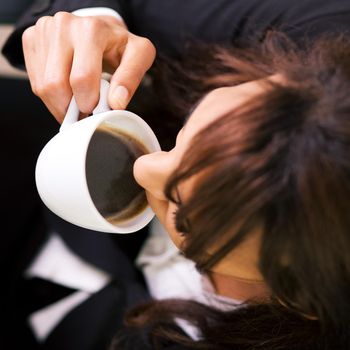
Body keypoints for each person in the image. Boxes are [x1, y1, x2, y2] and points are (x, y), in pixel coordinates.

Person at [3, 0, 350, 349]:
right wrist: (93, 23)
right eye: (188, 133)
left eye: (181, 213)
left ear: (301, 295)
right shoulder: (322, 30)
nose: (143, 166)